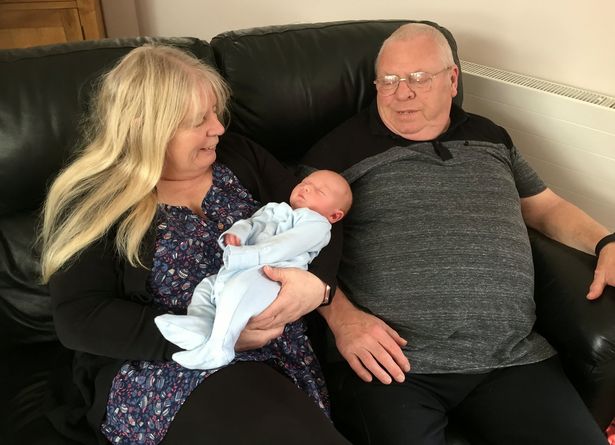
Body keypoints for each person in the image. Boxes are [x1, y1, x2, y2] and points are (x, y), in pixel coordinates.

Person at [302, 22, 615, 445]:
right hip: (394, 362)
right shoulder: (335, 153)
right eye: (388, 80)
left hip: (511, 356)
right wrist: (343, 320)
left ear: (452, 80)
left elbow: (544, 207)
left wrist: (605, 241)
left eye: (418, 78)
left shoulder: (492, 137)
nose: (401, 93)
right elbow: (296, 246)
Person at [40, 44, 351, 445]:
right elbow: (80, 316)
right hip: (168, 365)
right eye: (198, 120)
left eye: (216, 113)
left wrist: (318, 287)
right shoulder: (94, 199)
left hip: (277, 352)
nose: (218, 128)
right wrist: (213, 335)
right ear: (146, 127)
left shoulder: (239, 156)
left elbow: (322, 214)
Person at [154, 170, 352, 370]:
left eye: (320, 191)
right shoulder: (274, 209)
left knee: (237, 291)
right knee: (206, 288)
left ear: (334, 215)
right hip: (241, 269)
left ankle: (219, 348)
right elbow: (251, 224)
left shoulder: (317, 225)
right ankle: (200, 327)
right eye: (305, 182)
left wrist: (245, 256)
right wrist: (236, 234)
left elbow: (285, 246)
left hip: (271, 276)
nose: (307, 187)